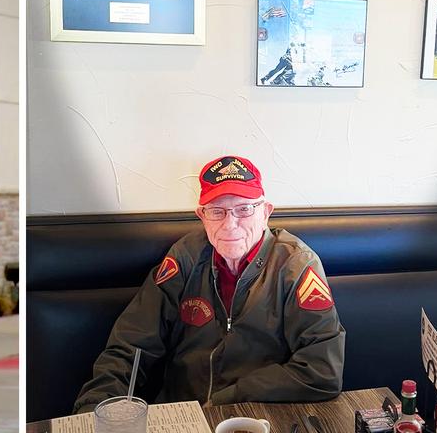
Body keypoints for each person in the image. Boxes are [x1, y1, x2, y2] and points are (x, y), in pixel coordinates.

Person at [73, 155, 344, 411]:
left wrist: (230, 398)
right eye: (217, 211)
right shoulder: (185, 257)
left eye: (244, 209)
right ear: (202, 216)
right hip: (183, 413)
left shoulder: (296, 266)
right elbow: (130, 345)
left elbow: (322, 369)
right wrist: (95, 409)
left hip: (259, 413)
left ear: (266, 213)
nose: (229, 224)